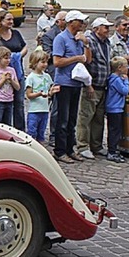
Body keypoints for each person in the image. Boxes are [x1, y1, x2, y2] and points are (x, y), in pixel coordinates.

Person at [52, 10, 92, 164]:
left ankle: (70, 148)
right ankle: (60, 151)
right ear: (71, 22)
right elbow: (57, 62)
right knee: (62, 119)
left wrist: (86, 44)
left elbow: (88, 60)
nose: (82, 24)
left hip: (76, 83)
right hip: (64, 83)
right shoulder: (61, 39)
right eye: (79, 21)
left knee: (72, 119)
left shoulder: (79, 39)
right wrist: (76, 58)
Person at [76, 17, 113, 160]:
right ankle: (83, 145)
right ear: (96, 28)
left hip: (103, 85)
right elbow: (85, 64)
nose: (108, 30)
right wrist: (88, 84)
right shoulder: (89, 40)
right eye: (105, 27)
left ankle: (96, 145)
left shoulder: (106, 42)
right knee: (86, 116)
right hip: (91, 85)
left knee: (98, 118)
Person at [0, 9, 27, 130]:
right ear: (0, 21)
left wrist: (17, 56)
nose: (12, 21)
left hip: (17, 72)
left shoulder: (16, 33)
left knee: (19, 103)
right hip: (1, 73)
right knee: (3, 103)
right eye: (9, 19)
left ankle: (20, 130)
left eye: (12, 19)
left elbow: (25, 47)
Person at [41, 10, 67, 145]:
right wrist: (64, 55)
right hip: (55, 72)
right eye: (65, 19)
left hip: (68, 73)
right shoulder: (49, 35)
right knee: (56, 105)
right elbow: (48, 54)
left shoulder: (71, 35)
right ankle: (53, 135)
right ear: (58, 21)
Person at [25, 50, 59, 143]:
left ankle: (41, 145)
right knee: (32, 131)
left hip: (44, 110)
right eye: (42, 62)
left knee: (41, 131)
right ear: (35, 63)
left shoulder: (47, 76)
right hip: (34, 110)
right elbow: (29, 95)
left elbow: (49, 92)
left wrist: (52, 91)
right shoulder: (31, 77)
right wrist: (39, 94)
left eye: (46, 62)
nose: (45, 64)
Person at [105, 56, 129, 163]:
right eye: (126, 66)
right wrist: (127, 81)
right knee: (114, 131)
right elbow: (124, 91)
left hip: (115, 108)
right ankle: (112, 151)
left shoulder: (115, 78)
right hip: (115, 109)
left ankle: (114, 150)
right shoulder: (117, 80)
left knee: (115, 130)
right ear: (119, 68)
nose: (127, 68)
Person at [110, 15, 129, 94]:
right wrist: (123, 59)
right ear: (116, 27)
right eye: (124, 25)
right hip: (121, 79)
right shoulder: (111, 42)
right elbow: (110, 60)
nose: (127, 27)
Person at [0, 47, 20, 126]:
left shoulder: (12, 70)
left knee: (8, 124)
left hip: (9, 101)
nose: (8, 60)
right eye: (6, 58)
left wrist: (11, 81)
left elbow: (17, 87)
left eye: (9, 58)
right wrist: (3, 80)